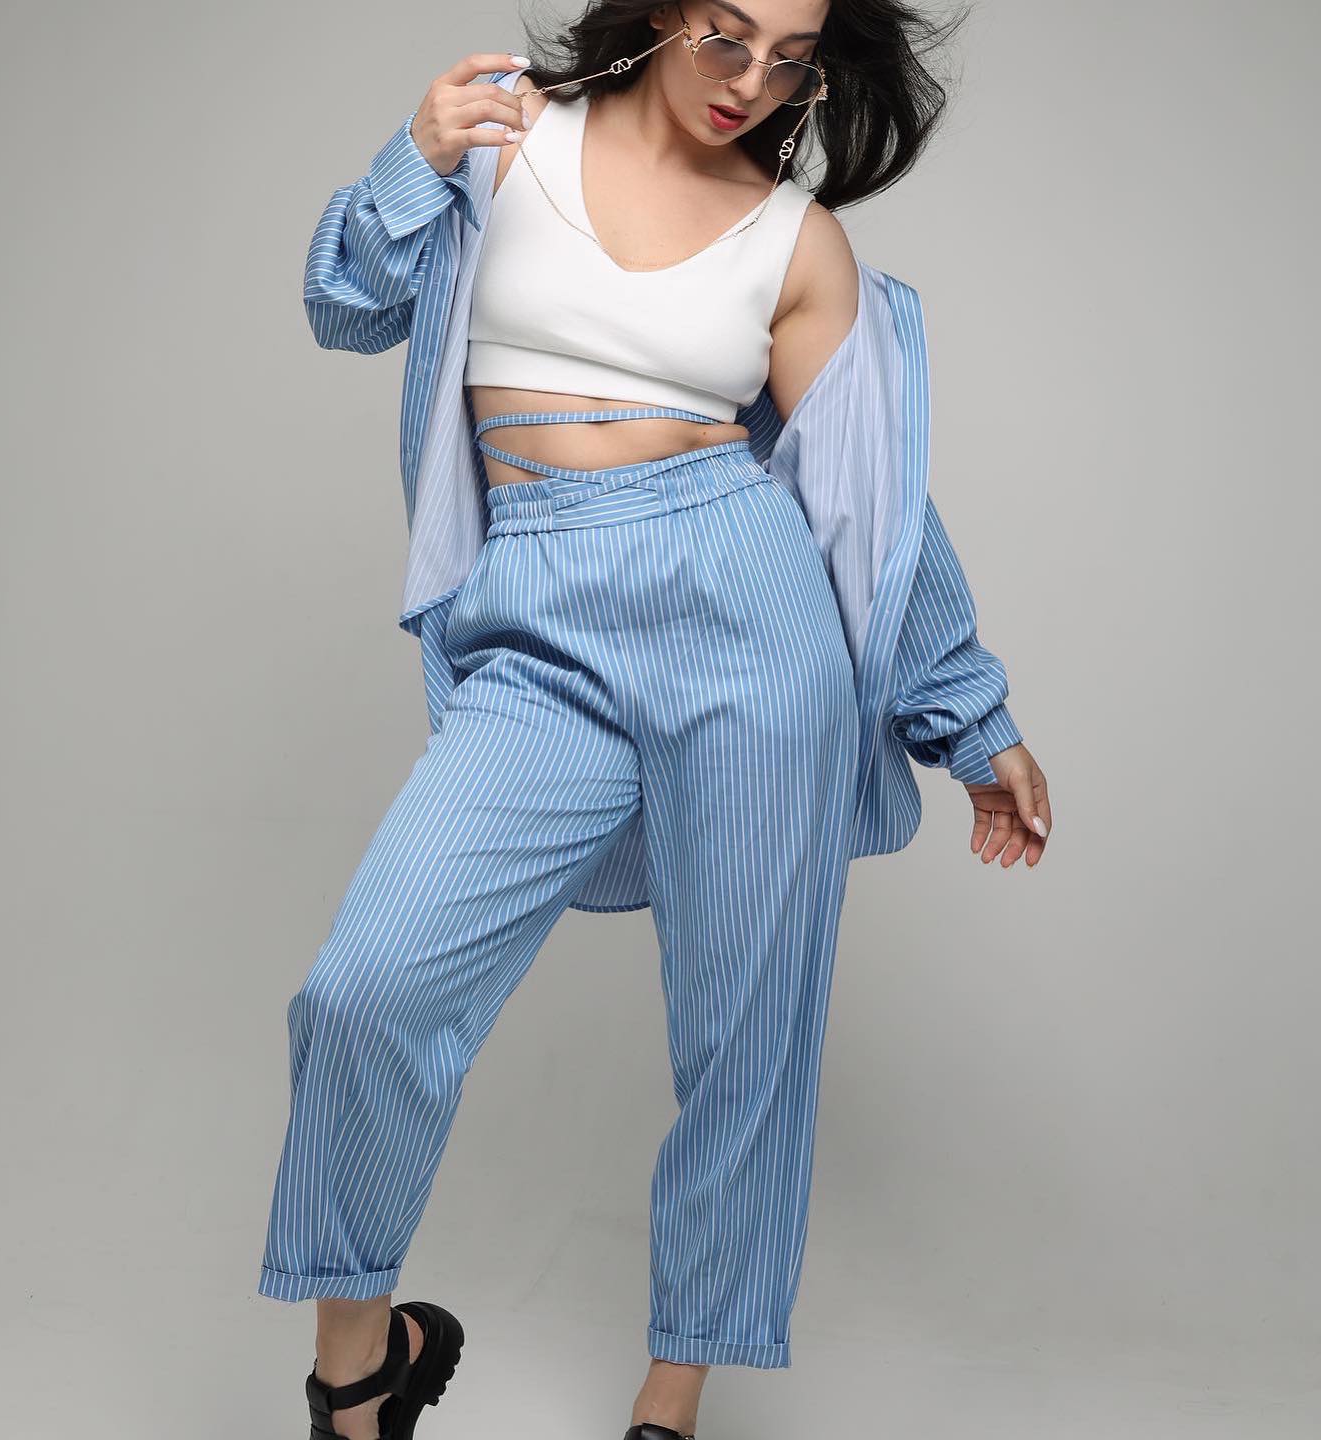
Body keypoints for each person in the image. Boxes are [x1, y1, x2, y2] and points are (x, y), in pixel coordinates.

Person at [259, 5, 1053, 1438]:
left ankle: (670, 1403)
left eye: (791, 60)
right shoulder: (506, 139)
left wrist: (970, 715)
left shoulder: (798, 243)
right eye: (726, 37)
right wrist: (411, 156)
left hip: (748, 619)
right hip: (537, 623)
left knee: (749, 1036)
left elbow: (871, 502)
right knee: (369, 989)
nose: (751, 83)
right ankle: (361, 1371)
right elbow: (345, 306)